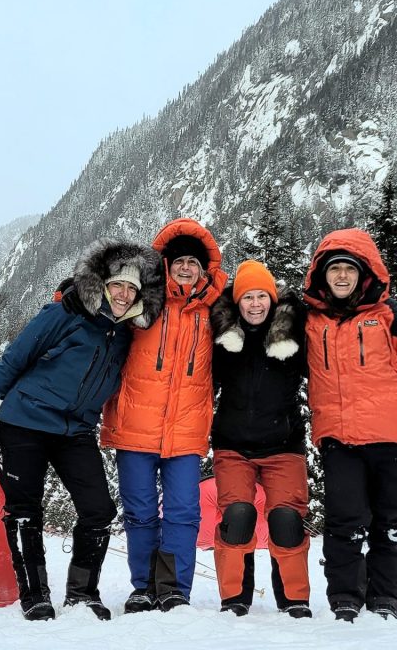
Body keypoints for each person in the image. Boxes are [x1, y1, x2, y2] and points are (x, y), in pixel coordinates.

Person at [0, 238, 164, 621]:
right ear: (103, 286)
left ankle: (82, 592)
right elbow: (15, 358)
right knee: (24, 508)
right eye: (117, 286)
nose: (124, 295)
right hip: (25, 421)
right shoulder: (65, 313)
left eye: (131, 288)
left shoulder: (125, 333)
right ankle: (35, 593)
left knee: (98, 508)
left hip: (75, 430)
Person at [302, 228, 397, 622]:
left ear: (364, 274)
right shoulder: (311, 321)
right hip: (339, 438)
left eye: (349, 269)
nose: (341, 277)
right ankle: (345, 596)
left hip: (393, 436)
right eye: (334, 270)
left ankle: (384, 598)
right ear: (322, 275)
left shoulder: (396, 317)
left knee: (388, 522)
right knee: (343, 521)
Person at [100, 218, 228, 612]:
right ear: (166, 264)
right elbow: (97, 307)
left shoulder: (216, 310)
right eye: (179, 261)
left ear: (204, 268)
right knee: (139, 512)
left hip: (187, 430)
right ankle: (143, 586)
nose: (186, 268)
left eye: (194, 261)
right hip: (135, 426)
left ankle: (172, 587)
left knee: (183, 513)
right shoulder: (145, 301)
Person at [209, 260, 312, 619]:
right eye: (247, 297)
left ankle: (294, 599)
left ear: (272, 298)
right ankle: (235, 597)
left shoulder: (293, 333)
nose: (255, 304)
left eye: (262, 297)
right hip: (233, 446)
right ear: (237, 302)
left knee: (286, 520)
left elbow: (331, 371)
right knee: (237, 515)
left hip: (283, 446)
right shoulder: (224, 338)